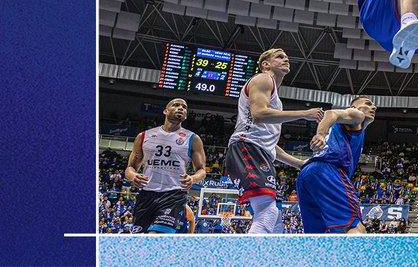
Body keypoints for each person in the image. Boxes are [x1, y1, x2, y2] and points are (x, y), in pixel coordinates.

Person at [224, 48, 324, 234]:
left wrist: (299, 164)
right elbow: (259, 115)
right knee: (267, 214)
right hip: (247, 148)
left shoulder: (274, 95)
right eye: (279, 56)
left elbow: (270, 146)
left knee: (276, 221)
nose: (286, 59)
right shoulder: (263, 79)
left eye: (287, 56)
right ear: (266, 64)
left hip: (256, 151)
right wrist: (305, 114)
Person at [295, 96, 378, 234]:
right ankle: (356, 256)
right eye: (368, 104)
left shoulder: (341, 132)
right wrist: (320, 135)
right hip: (328, 171)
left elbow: (306, 164)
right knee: (355, 228)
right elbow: (331, 113)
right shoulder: (357, 116)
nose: (373, 107)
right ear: (354, 108)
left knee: (319, 236)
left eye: (374, 106)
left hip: (306, 174)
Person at [125, 98, 207, 233]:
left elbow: (202, 170)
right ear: (166, 111)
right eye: (176, 105)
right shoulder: (144, 136)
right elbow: (130, 168)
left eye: (184, 107)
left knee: (156, 236)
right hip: (146, 194)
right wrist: (134, 176)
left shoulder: (193, 138)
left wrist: (193, 179)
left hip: (173, 195)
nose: (181, 108)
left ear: (186, 115)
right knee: (139, 240)